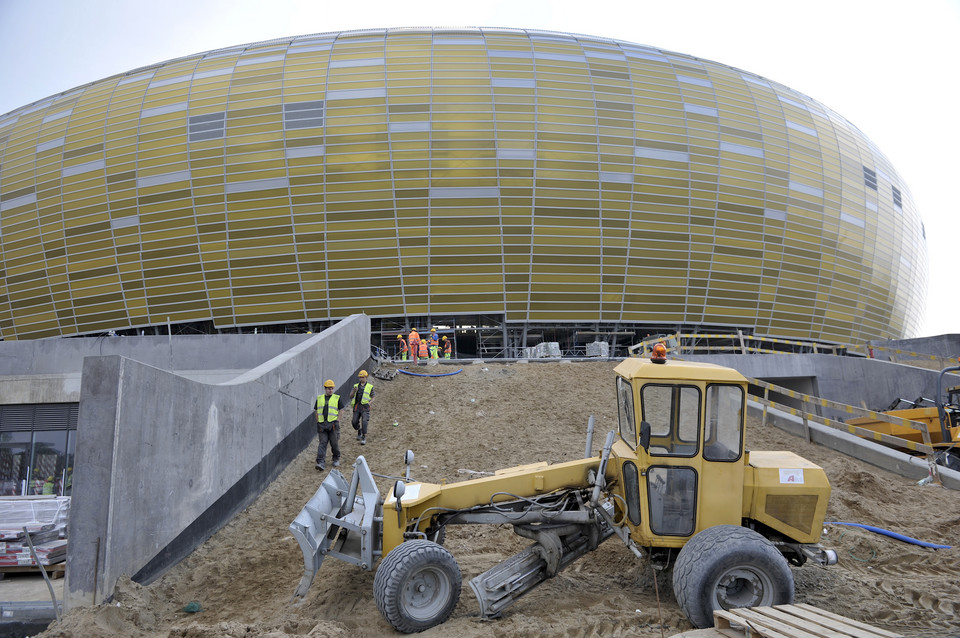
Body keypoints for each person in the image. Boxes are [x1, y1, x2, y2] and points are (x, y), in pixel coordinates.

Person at [313, 379, 342, 471]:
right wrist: (318, 422)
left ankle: (336, 458)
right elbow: (316, 411)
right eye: (329, 388)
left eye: (332, 388)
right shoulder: (319, 398)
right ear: (325, 389)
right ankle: (320, 462)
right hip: (322, 425)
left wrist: (337, 421)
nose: (330, 390)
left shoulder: (337, 398)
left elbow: (341, 410)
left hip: (333, 424)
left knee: (334, 443)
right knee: (322, 443)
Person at [350, 370, 374, 445]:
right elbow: (350, 396)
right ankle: (359, 430)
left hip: (365, 407)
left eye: (362, 377)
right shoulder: (355, 386)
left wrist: (369, 403)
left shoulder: (370, 387)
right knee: (354, 422)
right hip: (357, 406)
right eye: (360, 377)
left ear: (366, 377)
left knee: (364, 421)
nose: (361, 379)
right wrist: (354, 391)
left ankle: (363, 436)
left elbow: (373, 396)